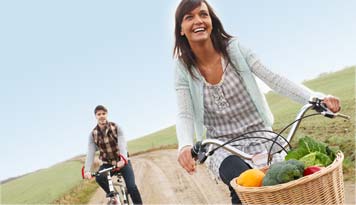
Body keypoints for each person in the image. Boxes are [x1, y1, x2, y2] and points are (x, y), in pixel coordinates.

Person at [173, 0, 341, 204]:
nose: (198, 20)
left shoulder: (234, 49)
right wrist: (185, 145)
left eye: (203, 14)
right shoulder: (183, 68)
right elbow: (185, 113)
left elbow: (274, 78)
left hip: (263, 136)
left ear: (212, 21)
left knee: (286, 186)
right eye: (189, 17)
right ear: (181, 29)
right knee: (243, 187)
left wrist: (315, 98)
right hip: (223, 146)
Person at [83, 105, 142, 205]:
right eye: (99, 114)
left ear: (107, 114)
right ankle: (114, 196)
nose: (101, 116)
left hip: (122, 161)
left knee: (131, 186)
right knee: (99, 177)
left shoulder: (116, 127)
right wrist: (87, 170)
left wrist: (123, 159)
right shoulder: (93, 134)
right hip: (107, 163)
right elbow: (91, 152)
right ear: (95, 116)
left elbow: (122, 144)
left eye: (103, 114)